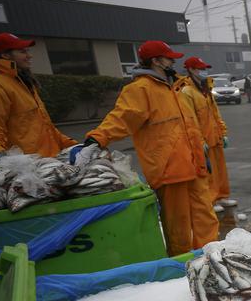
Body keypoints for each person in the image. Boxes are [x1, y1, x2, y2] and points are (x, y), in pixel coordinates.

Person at [82, 40, 218, 256]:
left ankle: (211, 259)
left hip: (194, 166)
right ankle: (180, 270)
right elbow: (122, 118)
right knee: (178, 230)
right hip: (169, 171)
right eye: (169, 58)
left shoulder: (174, 88)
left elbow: (188, 125)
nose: (174, 61)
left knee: (206, 219)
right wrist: (97, 138)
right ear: (156, 61)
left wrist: (201, 150)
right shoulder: (140, 89)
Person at [0, 32, 76, 158]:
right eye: (23, 52)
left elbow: (45, 127)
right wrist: (2, 162)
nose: (29, 56)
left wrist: (73, 145)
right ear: (5, 55)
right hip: (28, 168)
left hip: (49, 162)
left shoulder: (22, 81)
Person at [174, 57, 236, 208]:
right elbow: (190, 119)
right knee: (207, 172)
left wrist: (223, 132)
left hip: (215, 137)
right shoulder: (187, 92)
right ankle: (211, 200)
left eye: (204, 68)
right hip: (202, 140)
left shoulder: (205, 89)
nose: (204, 71)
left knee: (220, 170)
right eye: (200, 69)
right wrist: (200, 142)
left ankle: (222, 196)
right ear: (191, 70)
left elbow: (215, 113)